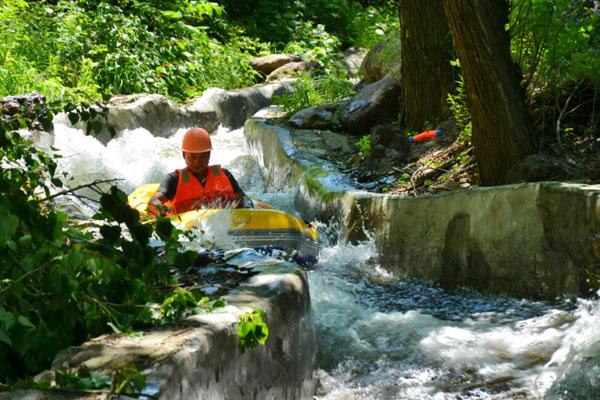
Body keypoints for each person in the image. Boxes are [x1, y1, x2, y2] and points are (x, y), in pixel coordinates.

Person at [147, 127, 253, 216]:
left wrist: (248, 207)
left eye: (203, 157)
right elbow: (154, 201)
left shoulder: (224, 174)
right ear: (184, 155)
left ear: (209, 156)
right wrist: (161, 210)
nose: (197, 162)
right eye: (192, 157)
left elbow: (242, 197)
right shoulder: (174, 179)